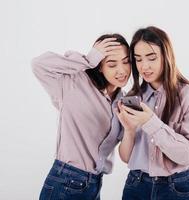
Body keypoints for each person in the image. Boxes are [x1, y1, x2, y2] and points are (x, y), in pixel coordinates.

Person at [31, 34, 131, 200]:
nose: (121, 70)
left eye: (126, 61)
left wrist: (130, 129)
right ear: (99, 66)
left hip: (94, 186)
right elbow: (38, 64)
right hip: (64, 182)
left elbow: (128, 154)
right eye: (112, 64)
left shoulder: (123, 102)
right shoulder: (73, 83)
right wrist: (89, 59)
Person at [116, 26, 189, 200]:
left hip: (176, 187)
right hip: (136, 185)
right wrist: (129, 131)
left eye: (151, 58)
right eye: (138, 59)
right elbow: (125, 157)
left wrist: (151, 122)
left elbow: (188, 155)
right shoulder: (133, 98)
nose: (144, 66)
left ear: (166, 56)